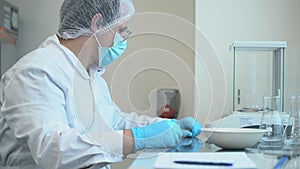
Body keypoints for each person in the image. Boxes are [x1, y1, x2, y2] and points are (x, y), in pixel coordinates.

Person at [0, 0, 202, 168]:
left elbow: (114, 123)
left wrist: (164, 127)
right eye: (121, 30)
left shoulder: (92, 75)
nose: (124, 39)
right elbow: (53, 148)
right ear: (97, 23)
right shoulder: (37, 72)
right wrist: (138, 138)